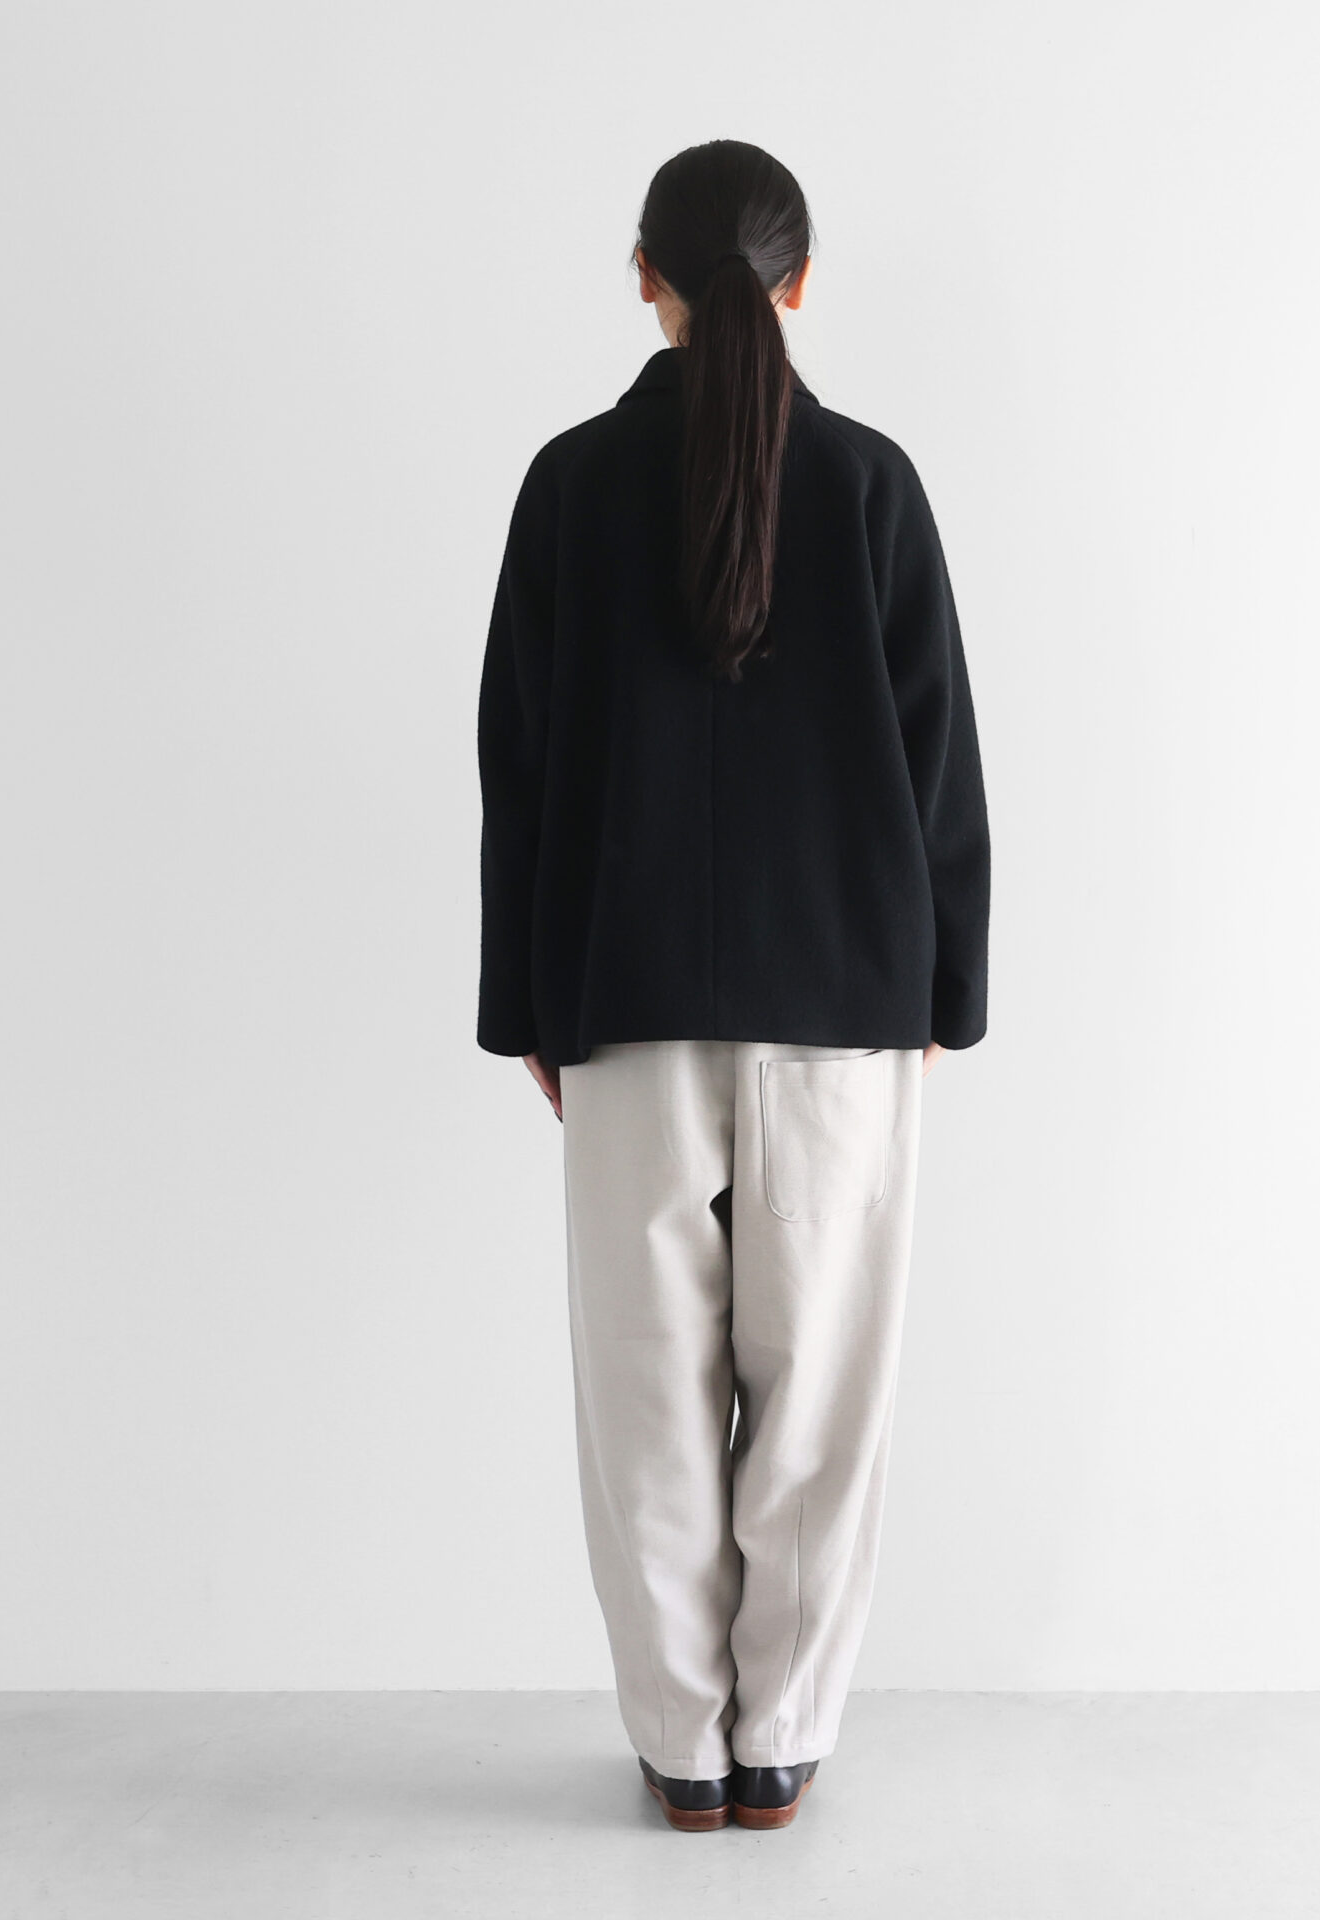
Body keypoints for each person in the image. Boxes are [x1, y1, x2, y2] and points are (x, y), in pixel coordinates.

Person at [475, 138, 990, 1833]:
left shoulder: (569, 484)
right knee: (820, 1402)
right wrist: (947, 992)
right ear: (801, 281)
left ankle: (684, 1756)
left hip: (622, 1005)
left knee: (645, 1403)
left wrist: (528, 1004)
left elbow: (518, 770)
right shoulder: (871, 483)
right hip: (844, 1008)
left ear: (645, 279)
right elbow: (939, 758)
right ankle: (780, 1750)